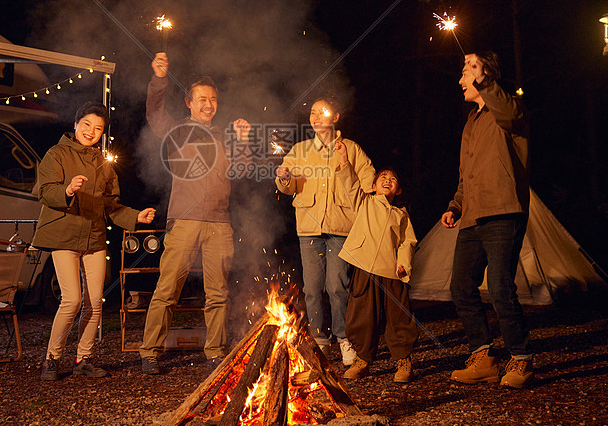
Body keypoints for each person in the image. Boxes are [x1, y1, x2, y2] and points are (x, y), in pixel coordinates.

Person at [139, 52, 252, 375]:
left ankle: (215, 352)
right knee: (167, 289)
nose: (208, 104)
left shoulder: (223, 137)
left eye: (213, 99)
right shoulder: (176, 131)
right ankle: (150, 351)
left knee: (217, 293)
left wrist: (243, 141)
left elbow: (242, 170)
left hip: (219, 223)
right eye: (201, 99)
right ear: (189, 102)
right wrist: (159, 79)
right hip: (184, 221)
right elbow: (155, 113)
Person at [34, 101, 156, 381]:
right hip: (63, 234)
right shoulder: (56, 154)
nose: (91, 131)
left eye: (98, 128)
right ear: (76, 125)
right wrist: (67, 189)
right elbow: (45, 191)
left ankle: (83, 359)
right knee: (72, 300)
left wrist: (138, 216)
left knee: (94, 302)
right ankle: (51, 360)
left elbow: (112, 206)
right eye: (87, 124)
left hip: (94, 237)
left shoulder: (104, 164)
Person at [441, 51, 533, 389]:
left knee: (499, 286)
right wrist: (455, 205)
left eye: (467, 73)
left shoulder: (508, 108)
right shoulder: (471, 121)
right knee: (461, 287)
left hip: (503, 210)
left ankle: (521, 359)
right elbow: (466, 175)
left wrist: (483, 77)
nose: (461, 79)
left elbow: (509, 112)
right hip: (472, 215)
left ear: (484, 75)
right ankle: (483, 357)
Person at [275, 97, 374, 366]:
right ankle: (320, 339)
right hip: (309, 229)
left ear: (336, 116)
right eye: (313, 112)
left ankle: (343, 338)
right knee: (312, 288)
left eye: (323, 112)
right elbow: (289, 185)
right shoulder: (301, 150)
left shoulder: (351, 149)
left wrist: (344, 164)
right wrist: (284, 177)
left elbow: (368, 185)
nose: (316, 116)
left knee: (337, 286)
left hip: (341, 227)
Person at [333, 147, 419, 382]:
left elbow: (407, 242)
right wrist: (343, 160)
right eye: (383, 177)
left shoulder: (401, 214)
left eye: (393, 179)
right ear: (373, 185)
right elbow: (350, 185)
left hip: (391, 271)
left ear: (398, 189)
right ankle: (362, 359)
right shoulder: (365, 203)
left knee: (399, 317)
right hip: (364, 268)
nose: (388, 180)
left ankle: (403, 362)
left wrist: (404, 266)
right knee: (361, 316)